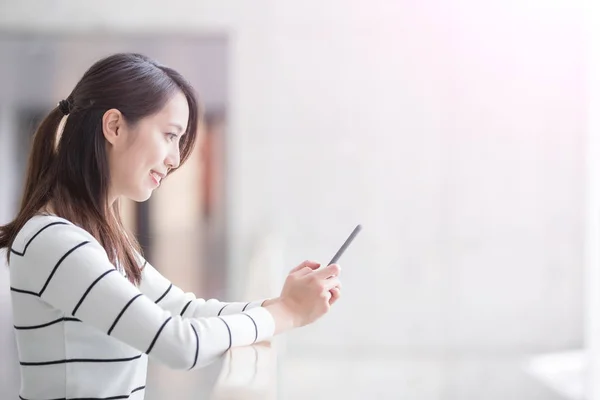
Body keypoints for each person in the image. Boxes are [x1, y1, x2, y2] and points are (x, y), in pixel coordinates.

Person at [0, 53, 342, 400]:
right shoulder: (54, 241)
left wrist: (279, 303)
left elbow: (183, 308)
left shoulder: (98, 237)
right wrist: (287, 314)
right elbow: (179, 343)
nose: (175, 158)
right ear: (114, 127)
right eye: (169, 135)